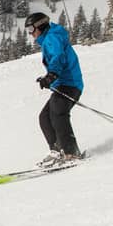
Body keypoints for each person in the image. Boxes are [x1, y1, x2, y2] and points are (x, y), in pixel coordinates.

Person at [26, 11, 84, 167]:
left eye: (31, 29)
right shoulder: (49, 39)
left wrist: (51, 75)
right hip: (63, 84)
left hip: (70, 84)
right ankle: (58, 151)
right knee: (45, 117)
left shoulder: (52, 38)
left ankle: (71, 152)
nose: (30, 34)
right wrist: (49, 77)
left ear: (40, 26)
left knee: (58, 112)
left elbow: (58, 58)